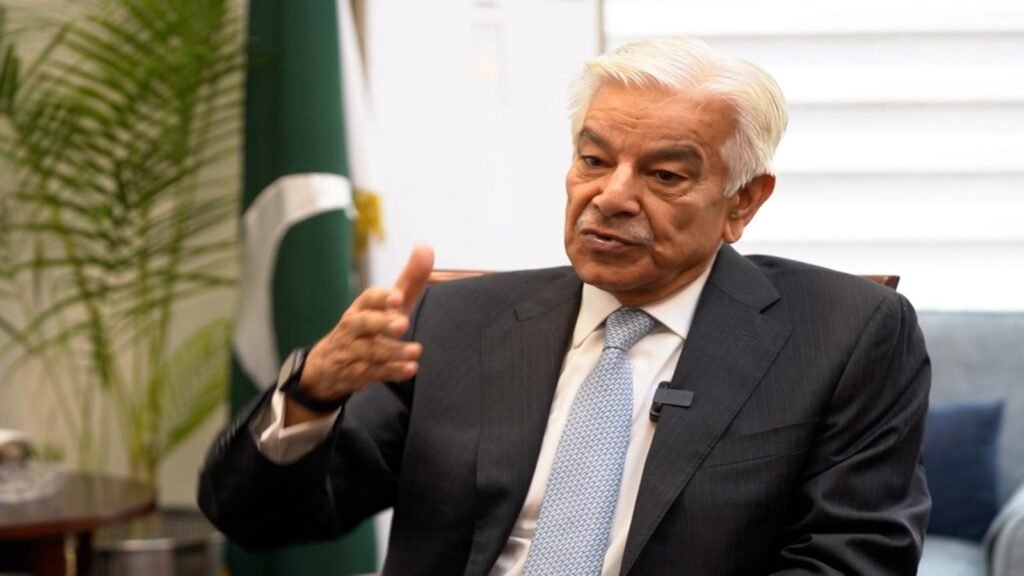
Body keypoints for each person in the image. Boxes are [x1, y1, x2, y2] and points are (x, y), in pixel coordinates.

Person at [199, 36, 931, 575]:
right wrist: (311, 393)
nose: (612, 196)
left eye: (664, 175)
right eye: (594, 159)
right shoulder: (455, 323)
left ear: (742, 202)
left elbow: (853, 560)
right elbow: (260, 521)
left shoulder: (841, 335)